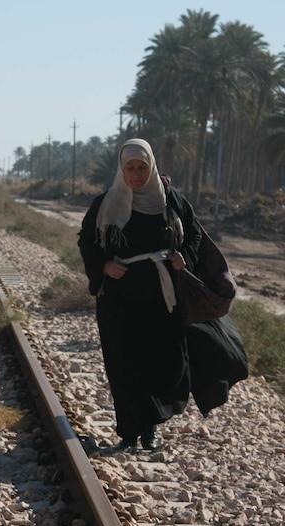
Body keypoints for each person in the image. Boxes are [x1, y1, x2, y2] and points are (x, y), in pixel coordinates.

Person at [78, 138, 201, 454]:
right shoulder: (106, 203)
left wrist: (183, 255)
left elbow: (195, 234)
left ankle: (151, 430)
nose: (135, 174)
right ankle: (131, 433)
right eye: (129, 167)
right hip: (118, 299)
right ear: (122, 169)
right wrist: (104, 265)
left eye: (141, 167)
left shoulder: (170, 201)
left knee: (159, 362)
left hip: (162, 298)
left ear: (151, 167)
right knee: (123, 364)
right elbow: (86, 241)